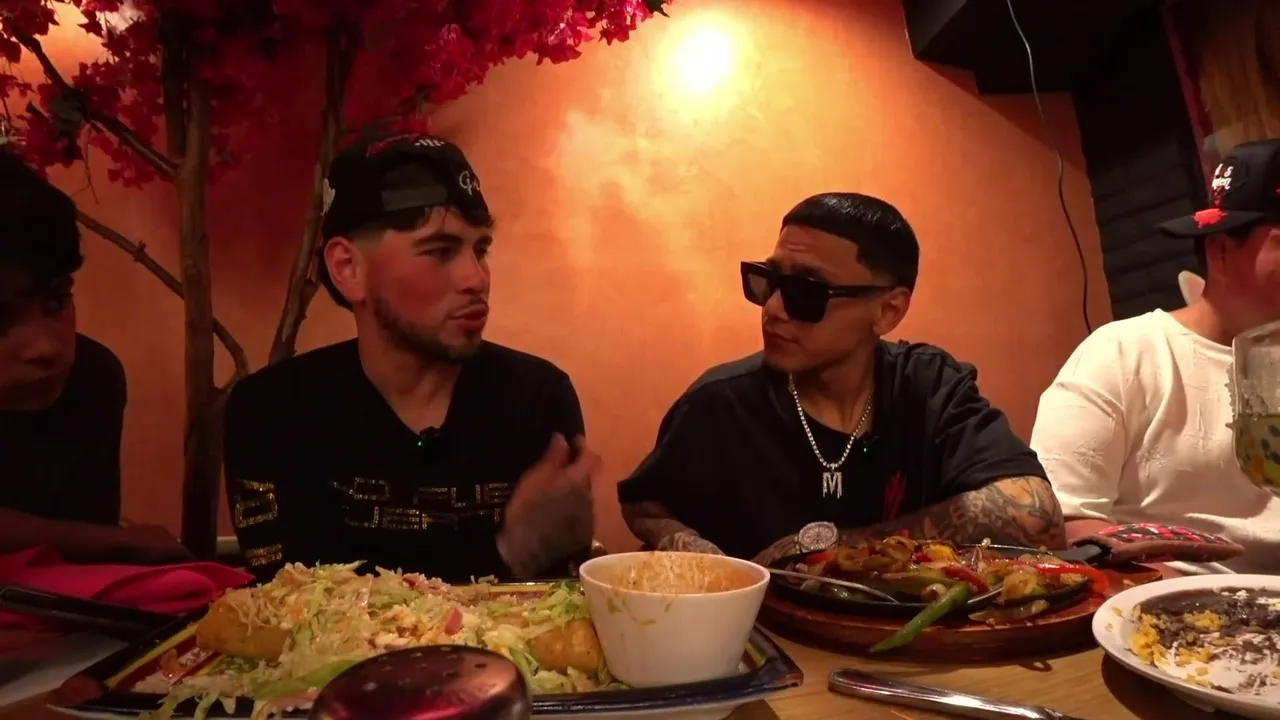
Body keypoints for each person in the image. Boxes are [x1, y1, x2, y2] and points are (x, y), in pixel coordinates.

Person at [224, 133, 598, 583]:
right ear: (348, 269)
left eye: (481, 249)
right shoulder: (272, 410)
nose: (476, 278)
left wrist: (556, 552)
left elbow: (555, 605)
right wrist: (510, 554)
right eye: (440, 251)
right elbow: (300, 604)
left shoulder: (536, 398)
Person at [617, 192, 1064, 565]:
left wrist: (832, 547)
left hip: (912, 634)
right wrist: (693, 551)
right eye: (767, 282)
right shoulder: (720, 401)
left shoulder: (928, 386)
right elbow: (645, 504)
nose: (772, 309)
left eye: (806, 291)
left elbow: (1037, 516)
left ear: (888, 310)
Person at [1031, 138, 1280, 575]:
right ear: (1221, 251)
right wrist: (1183, 594)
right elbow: (1062, 521)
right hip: (1171, 600)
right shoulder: (1124, 354)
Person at [0, 152, 190, 564]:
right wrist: (109, 540)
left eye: (56, 301)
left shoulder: (90, 381)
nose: (46, 347)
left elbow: (78, 577)